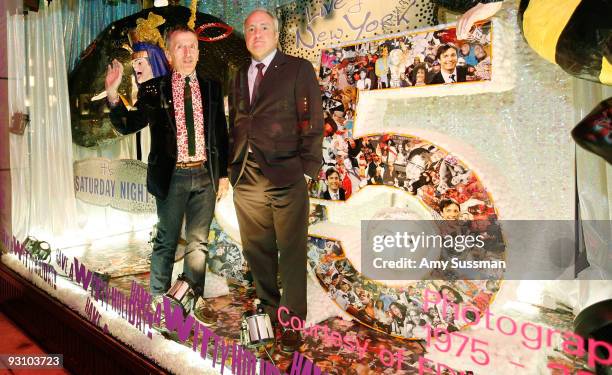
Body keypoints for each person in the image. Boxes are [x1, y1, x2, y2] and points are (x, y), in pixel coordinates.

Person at [105, 25, 229, 325]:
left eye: (192, 46)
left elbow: (220, 134)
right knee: (166, 240)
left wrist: (223, 174)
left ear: (199, 52)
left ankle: (190, 298)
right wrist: (112, 94)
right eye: (180, 47)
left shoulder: (212, 86)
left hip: (205, 176)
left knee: (199, 244)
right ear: (170, 55)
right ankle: (158, 300)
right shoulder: (154, 88)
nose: (187, 52)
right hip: (172, 177)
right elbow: (127, 124)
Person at [227, 8, 323, 352]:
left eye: (263, 27)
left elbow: (312, 120)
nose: (257, 33)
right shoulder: (237, 74)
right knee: (258, 252)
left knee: (292, 252)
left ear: (276, 32)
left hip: (287, 175)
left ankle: (292, 320)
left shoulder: (298, 68)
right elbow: (236, 124)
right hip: (246, 177)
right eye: (251, 28)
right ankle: (269, 311)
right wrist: (231, 169)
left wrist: (308, 169)